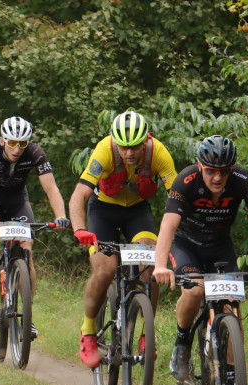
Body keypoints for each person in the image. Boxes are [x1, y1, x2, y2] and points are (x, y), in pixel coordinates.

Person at [152, 135, 248, 380]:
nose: (217, 177)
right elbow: (168, 226)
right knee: (194, 291)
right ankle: (182, 343)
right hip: (185, 244)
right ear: (200, 166)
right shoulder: (185, 180)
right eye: (211, 171)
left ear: (232, 169)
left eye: (224, 172)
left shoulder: (244, 180)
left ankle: (233, 379)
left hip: (219, 246)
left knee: (230, 305)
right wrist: (160, 266)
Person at [69, 111, 178, 368]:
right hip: (102, 212)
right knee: (105, 270)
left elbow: (178, 199)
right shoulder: (103, 151)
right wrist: (79, 229)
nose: (129, 152)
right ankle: (88, 331)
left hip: (137, 213)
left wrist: (179, 238)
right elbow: (78, 196)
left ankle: (145, 333)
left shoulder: (159, 153)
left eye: (135, 146)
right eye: (123, 147)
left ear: (146, 141)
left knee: (150, 266)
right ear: (114, 143)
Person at [0, 116, 70, 339]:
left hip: (18, 200)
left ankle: (26, 315)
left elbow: (51, 188)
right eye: (12, 143)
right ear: (2, 140)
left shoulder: (36, 153)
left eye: (22, 144)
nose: (17, 149)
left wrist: (61, 216)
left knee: (26, 251)